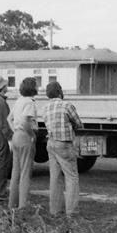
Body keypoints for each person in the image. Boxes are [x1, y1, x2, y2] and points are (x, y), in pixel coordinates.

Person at [42, 81, 83, 217]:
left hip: (51, 143)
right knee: (71, 177)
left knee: (55, 178)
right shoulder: (67, 106)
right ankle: (71, 211)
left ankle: (55, 210)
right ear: (60, 92)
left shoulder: (45, 108)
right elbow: (78, 123)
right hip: (64, 144)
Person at [7, 77, 38, 210]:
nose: (38, 88)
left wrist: (15, 130)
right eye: (36, 85)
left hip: (16, 136)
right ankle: (23, 206)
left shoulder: (19, 100)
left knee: (16, 172)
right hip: (25, 136)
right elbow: (26, 121)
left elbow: (9, 118)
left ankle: (12, 204)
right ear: (33, 88)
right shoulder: (30, 103)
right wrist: (31, 135)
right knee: (26, 172)